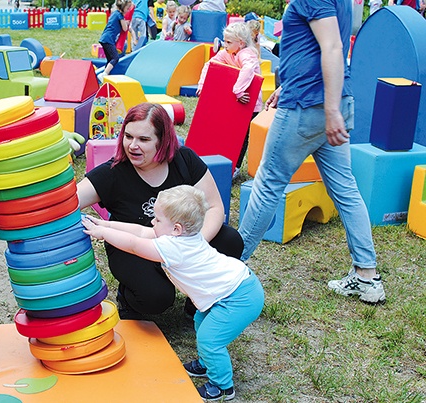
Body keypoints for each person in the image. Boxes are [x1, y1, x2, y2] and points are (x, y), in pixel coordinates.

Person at [238, 0, 386, 304]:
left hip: (310, 106)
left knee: (268, 186)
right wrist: (292, 86)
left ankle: (229, 268)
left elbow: (332, 47)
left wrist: (329, 110)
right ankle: (367, 277)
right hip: (328, 100)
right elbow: (316, 46)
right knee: (345, 188)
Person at [82, 185, 264, 401]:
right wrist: (106, 224)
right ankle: (207, 363)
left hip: (239, 297)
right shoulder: (184, 237)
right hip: (236, 287)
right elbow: (140, 231)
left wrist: (103, 233)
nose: (152, 223)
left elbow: (133, 245)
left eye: (158, 220)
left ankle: (223, 386)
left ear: (176, 228)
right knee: (200, 321)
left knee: (210, 339)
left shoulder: (175, 248)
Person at [77, 103, 244, 319]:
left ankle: (199, 303)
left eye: (144, 139)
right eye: (128, 136)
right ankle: (130, 300)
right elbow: (66, 202)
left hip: (182, 241)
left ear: (162, 140)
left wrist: (191, 248)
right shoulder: (112, 173)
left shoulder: (184, 160)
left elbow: (214, 207)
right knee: (155, 297)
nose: (133, 146)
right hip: (135, 246)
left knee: (230, 240)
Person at [197, 22, 262, 179]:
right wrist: (202, 84)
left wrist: (238, 90)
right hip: (235, 101)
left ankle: (236, 167)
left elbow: (248, 70)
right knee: (228, 131)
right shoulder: (228, 53)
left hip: (249, 103)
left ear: (240, 43)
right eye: (224, 41)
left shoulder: (247, 54)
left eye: (228, 42)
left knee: (242, 136)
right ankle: (223, 161)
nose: (224, 45)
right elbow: (210, 64)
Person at [98, 0, 133, 79]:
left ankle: (105, 76)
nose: (128, 11)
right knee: (115, 58)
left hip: (105, 38)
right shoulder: (119, 15)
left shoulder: (115, 13)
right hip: (108, 39)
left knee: (110, 59)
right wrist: (126, 23)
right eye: (127, 9)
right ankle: (104, 74)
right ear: (123, 7)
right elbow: (124, 28)